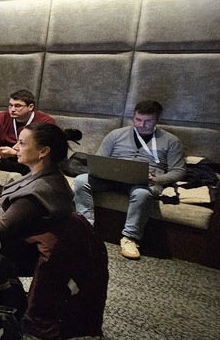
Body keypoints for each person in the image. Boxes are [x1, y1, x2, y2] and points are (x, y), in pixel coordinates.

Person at [72, 100, 186, 260]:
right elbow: (99, 159)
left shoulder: (171, 141)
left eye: (148, 121)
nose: (141, 125)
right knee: (81, 180)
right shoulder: (116, 135)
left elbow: (179, 171)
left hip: (145, 182)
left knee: (142, 194)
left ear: (157, 119)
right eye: (138, 119)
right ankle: (86, 227)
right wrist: (100, 170)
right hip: (111, 178)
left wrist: (156, 178)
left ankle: (130, 238)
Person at [0, 123, 77, 270]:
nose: (15, 147)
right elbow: (4, 202)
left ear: (43, 151)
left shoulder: (38, 191)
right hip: (14, 239)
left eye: (22, 143)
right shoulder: (42, 174)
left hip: (21, 252)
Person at [0, 89, 55, 174]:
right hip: (5, 158)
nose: (12, 109)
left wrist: (16, 153)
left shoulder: (45, 122)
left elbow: (43, 150)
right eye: (10, 105)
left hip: (28, 161)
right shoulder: (1, 117)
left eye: (17, 106)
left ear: (30, 107)